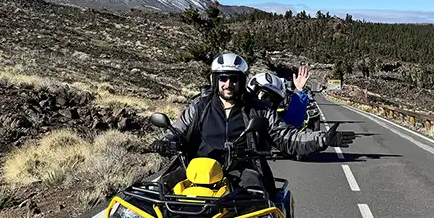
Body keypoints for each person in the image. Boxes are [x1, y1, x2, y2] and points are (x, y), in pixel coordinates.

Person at [150, 53, 355, 195]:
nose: (228, 84)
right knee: (159, 190)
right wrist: (166, 142)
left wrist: (323, 139)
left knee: (260, 204)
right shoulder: (199, 106)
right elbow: (177, 130)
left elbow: (287, 137)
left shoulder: (259, 109)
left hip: (241, 171)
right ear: (215, 80)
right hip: (196, 169)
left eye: (233, 78)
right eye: (223, 78)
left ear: (241, 80)